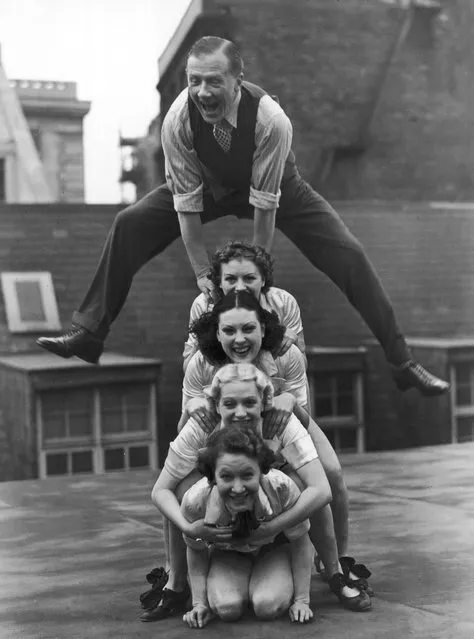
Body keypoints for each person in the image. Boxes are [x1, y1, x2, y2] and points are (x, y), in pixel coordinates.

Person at [36, 36, 449, 397]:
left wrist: (256, 276)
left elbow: (264, 207)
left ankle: (402, 362)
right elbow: (185, 205)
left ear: (237, 79)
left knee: (350, 255)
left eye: (214, 81)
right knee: (129, 223)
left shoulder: (271, 120)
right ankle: (89, 334)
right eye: (194, 80)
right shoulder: (178, 120)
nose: (202, 91)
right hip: (210, 187)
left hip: (278, 190)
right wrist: (202, 272)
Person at [143, 363, 371, 623]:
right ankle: (178, 584)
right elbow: (161, 490)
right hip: (228, 530)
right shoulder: (202, 425)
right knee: (185, 492)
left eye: (250, 402)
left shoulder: (279, 423)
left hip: (274, 522)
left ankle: (334, 573)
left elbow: (322, 490)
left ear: (264, 402)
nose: (240, 413)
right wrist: (190, 527)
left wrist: (272, 528)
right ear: (216, 405)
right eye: (229, 404)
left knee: (300, 488)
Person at [181, 289, 370, 586]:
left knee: (323, 474)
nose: (239, 339)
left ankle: (335, 569)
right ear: (216, 334)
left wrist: (289, 402)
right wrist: (191, 407)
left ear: (264, 327)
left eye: (248, 329)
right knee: (180, 483)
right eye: (229, 331)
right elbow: (188, 431)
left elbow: (299, 418)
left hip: (277, 435)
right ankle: (175, 580)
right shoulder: (202, 363)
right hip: (223, 451)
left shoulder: (285, 354)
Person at [181, 424, 314, 628]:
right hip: (228, 554)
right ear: (212, 476)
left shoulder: (282, 487)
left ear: (261, 471)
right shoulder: (195, 500)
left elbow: (301, 541)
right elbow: (195, 550)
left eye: (247, 475)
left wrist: (302, 600)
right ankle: (240, 584)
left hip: (273, 550)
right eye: (226, 476)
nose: (238, 488)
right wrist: (199, 603)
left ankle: (270, 581)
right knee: (227, 607)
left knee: (268, 606)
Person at [183, 240, 306, 371]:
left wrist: (293, 346)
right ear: (219, 282)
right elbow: (188, 369)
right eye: (231, 279)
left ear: (263, 280)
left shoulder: (283, 302)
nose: (240, 287)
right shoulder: (204, 305)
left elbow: (302, 366)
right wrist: (202, 344)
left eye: (249, 278)